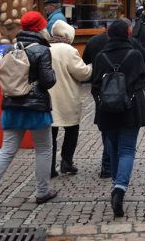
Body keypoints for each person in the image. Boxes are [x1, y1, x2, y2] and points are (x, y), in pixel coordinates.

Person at [0, 11, 57, 209]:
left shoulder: (8, 49)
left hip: (11, 105)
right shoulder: (42, 50)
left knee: (6, 150)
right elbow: (48, 81)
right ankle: (42, 191)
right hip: (36, 108)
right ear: (39, 28)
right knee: (43, 149)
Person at [91, 19, 145, 217]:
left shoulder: (101, 56)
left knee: (113, 148)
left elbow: (95, 85)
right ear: (128, 33)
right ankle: (119, 188)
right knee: (126, 150)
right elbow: (143, 79)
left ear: (109, 34)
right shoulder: (134, 54)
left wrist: (101, 103)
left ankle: (117, 183)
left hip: (107, 110)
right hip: (130, 108)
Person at [48, 20, 92, 178]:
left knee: (50, 134)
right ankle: (66, 162)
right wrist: (91, 66)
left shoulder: (46, 47)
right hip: (67, 97)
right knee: (71, 130)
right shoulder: (69, 50)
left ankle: (49, 167)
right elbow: (82, 73)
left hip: (49, 98)